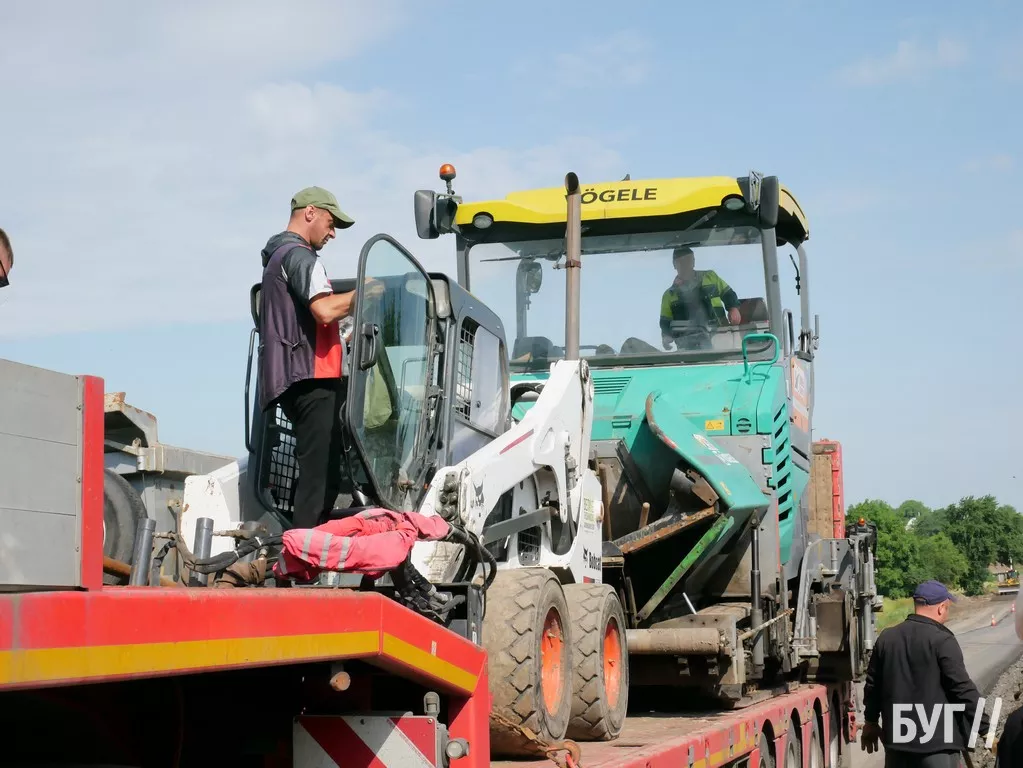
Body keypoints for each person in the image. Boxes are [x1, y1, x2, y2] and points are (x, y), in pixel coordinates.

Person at [257, 186, 378, 530]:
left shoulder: (279, 258)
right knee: (318, 476)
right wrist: (363, 293)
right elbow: (324, 310)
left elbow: (308, 324)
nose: (333, 232)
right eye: (330, 222)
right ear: (310, 213)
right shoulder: (300, 256)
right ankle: (301, 559)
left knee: (320, 470)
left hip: (297, 377)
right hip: (311, 380)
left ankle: (306, 551)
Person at [861, 580, 992, 767]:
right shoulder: (942, 640)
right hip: (938, 747)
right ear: (941, 608)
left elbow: (872, 686)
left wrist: (871, 723)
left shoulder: (886, 638)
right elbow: (962, 689)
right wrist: (987, 730)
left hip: (897, 748)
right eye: (947, 608)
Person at [659, 246, 741, 350]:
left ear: (693, 261)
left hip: (720, 336)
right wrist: (666, 337)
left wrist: (733, 308)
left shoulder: (711, 277)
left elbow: (728, 293)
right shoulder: (669, 295)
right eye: (681, 261)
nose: (685, 264)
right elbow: (665, 322)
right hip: (688, 345)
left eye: (688, 260)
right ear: (674, 265)